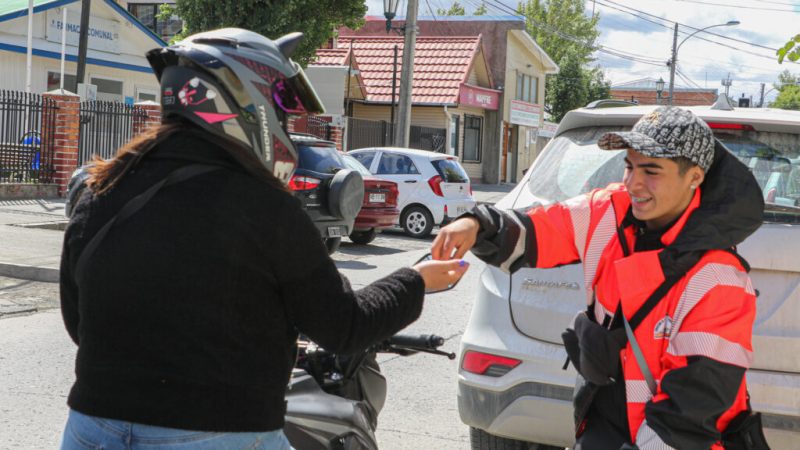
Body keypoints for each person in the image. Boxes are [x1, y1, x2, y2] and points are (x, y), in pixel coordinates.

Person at [59, 28, 468, 449]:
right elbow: (344, 326)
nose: (286, 124)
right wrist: (417, 279)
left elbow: (80, 324)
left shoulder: (101, 188)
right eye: (281, 110)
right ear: (244, 101)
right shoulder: (263, 205)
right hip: (219, 431)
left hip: (91, 429)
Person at [432, 106, 765, 449]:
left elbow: (691, 411)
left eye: (651, 171)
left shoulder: (718, 278)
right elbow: (535, 230)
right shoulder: (609, 210)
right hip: (602, 419)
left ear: (694, 177)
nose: (633, 183)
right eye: (629, 166)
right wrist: (475, 224)